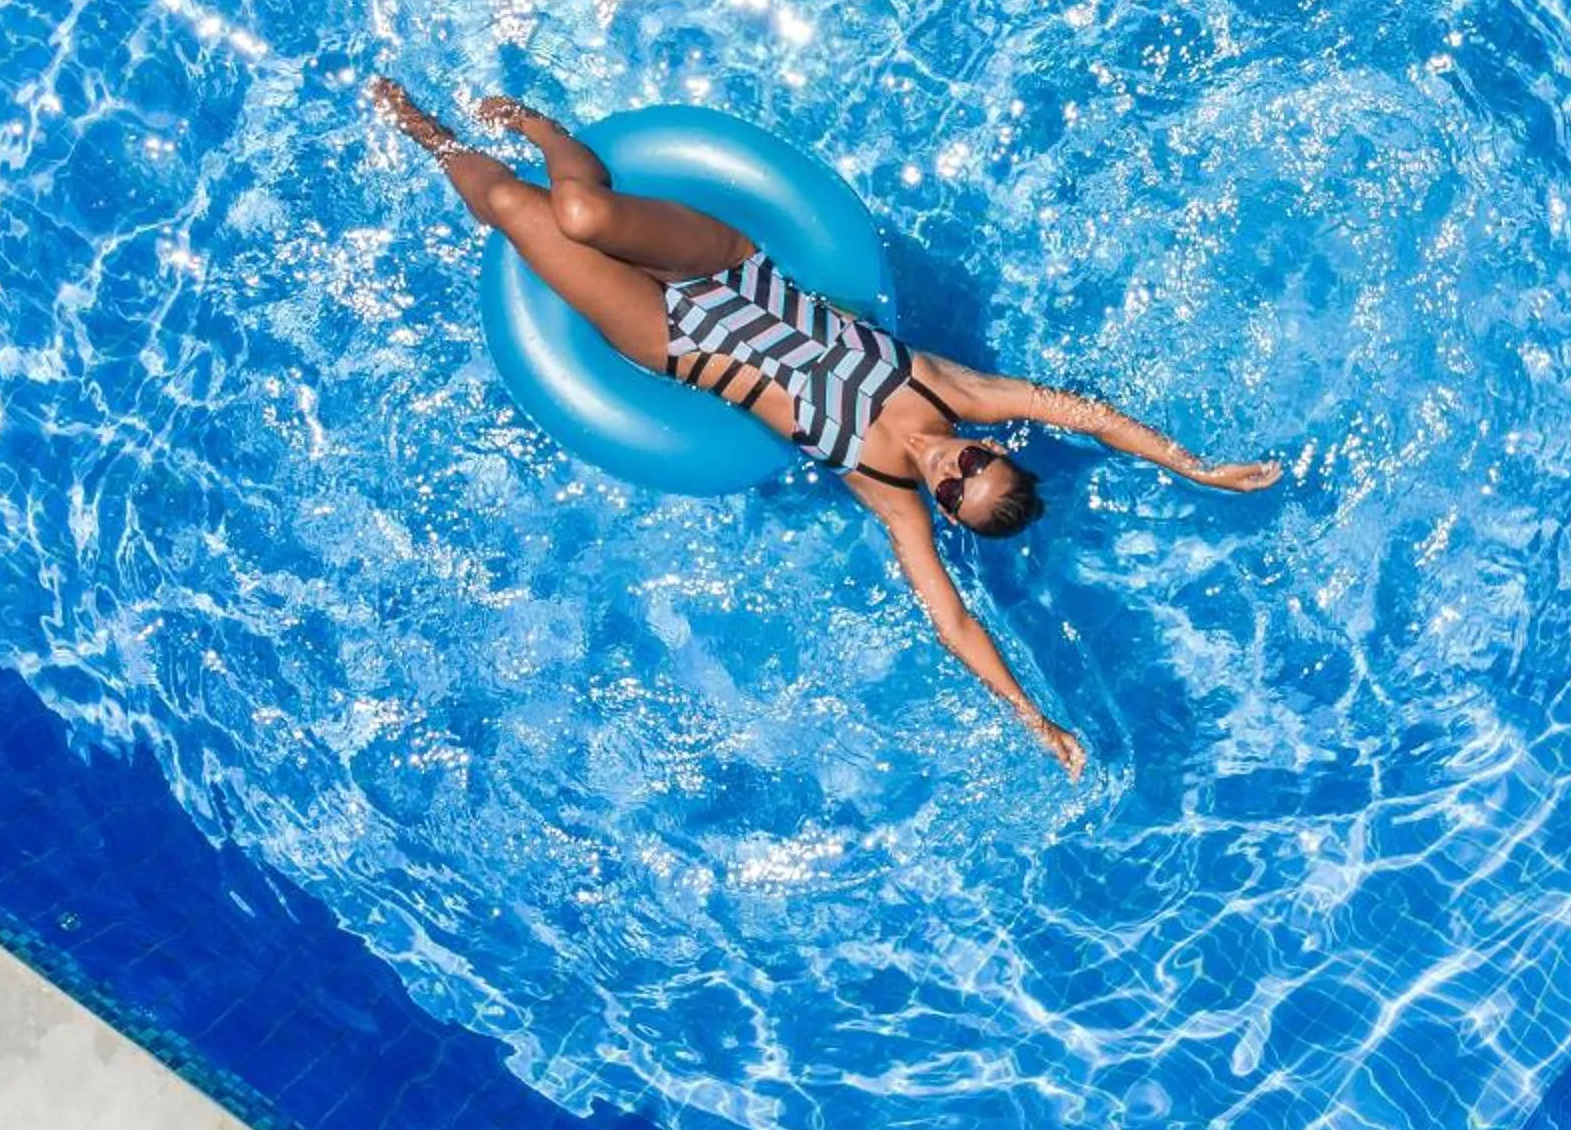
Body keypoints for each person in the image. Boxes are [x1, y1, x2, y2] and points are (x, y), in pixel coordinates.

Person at [370, 80, 1283, 778]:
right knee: (581, 210)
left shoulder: (890, 498)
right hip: (735, 269)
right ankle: (548, 130)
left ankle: (432, 135)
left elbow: (955, 624)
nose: (953, 474)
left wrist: (1032, 718)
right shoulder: (952, 388)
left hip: (677, 345)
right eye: (975, 467)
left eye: (957, 497)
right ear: (993, 446)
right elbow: (1084, 413)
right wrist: (1193, 468)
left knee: (515, 215)